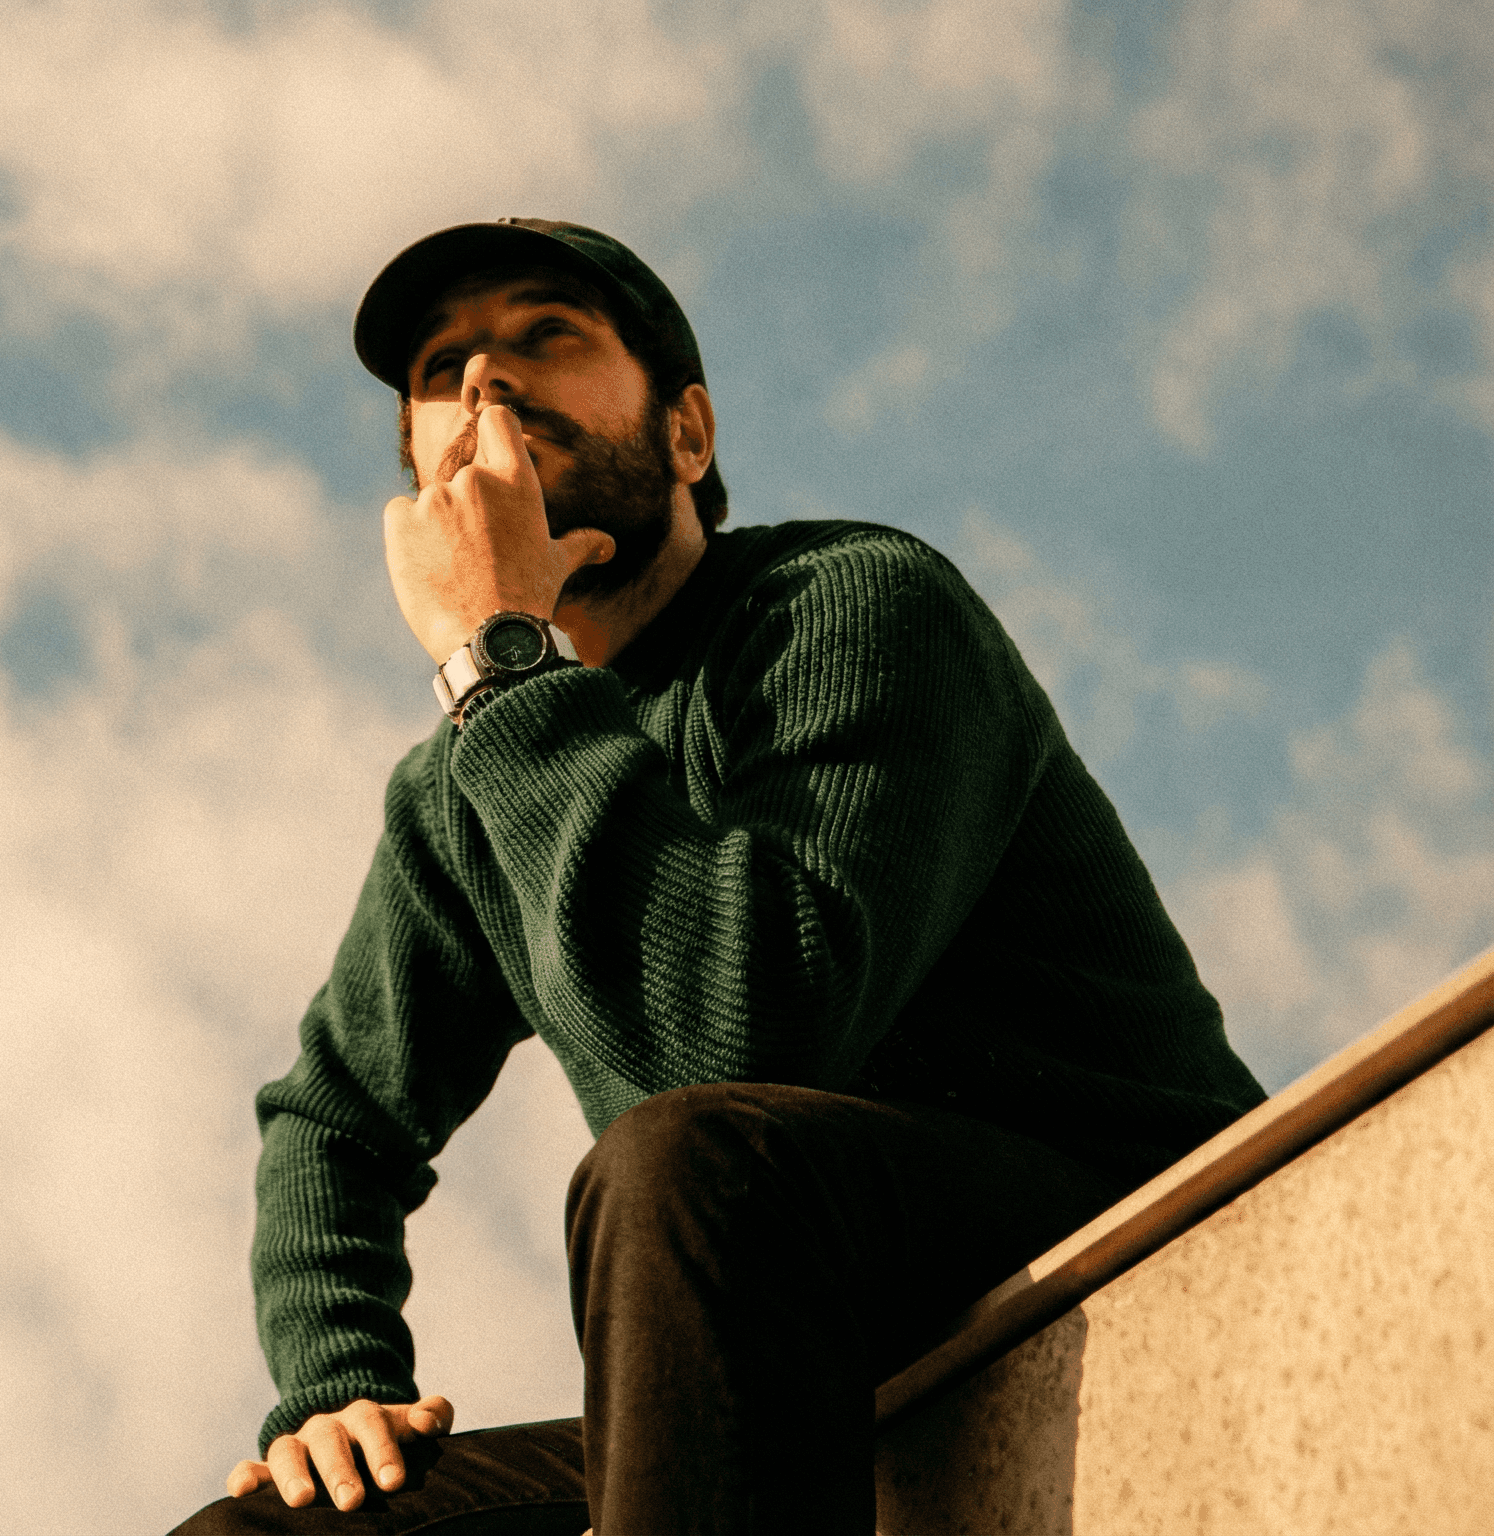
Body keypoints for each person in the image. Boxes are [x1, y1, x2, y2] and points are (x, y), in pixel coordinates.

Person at [168, 220, 1266, 1534]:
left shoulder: (848, 607)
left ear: (687, 435)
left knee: (691, 1158)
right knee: (262, 1534)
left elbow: (736, 1048)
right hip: (776, 1349)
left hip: (1123, 1235)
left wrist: (499, 658)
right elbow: (333, 1121)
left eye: (546, 335)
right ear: (423, 478)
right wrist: (335, 1386)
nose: (487, 382)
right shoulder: (466, 780)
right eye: (441, 371)